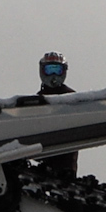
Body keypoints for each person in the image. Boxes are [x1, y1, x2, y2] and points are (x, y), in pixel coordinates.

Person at [32, 52, 80, 180]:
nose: (53, 76)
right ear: (42, 71)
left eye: (57, 70)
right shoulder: (37, 99)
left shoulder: (70, 97)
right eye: (49, 70)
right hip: (44, 155)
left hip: (65, 159)